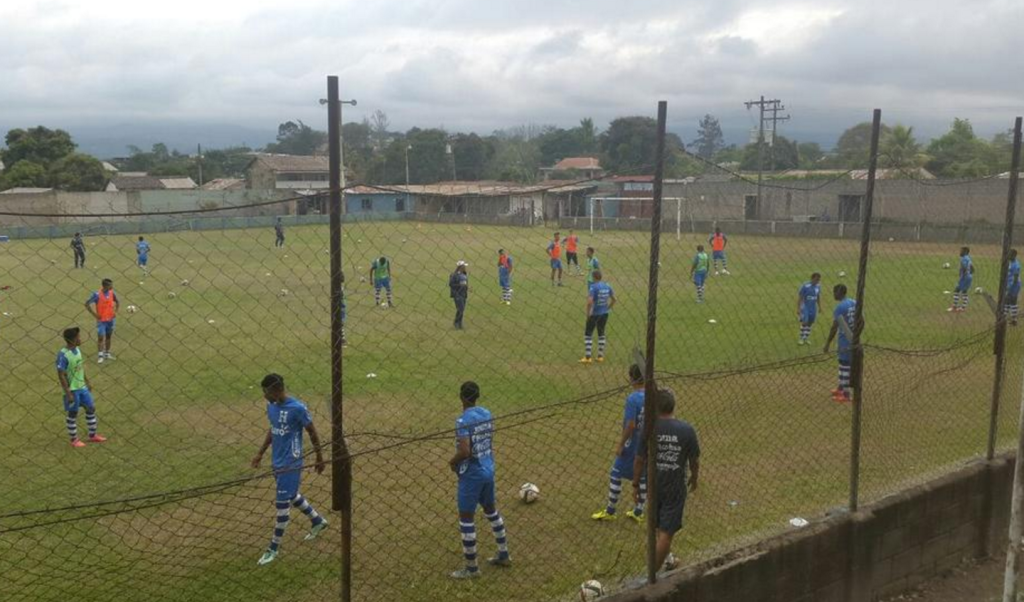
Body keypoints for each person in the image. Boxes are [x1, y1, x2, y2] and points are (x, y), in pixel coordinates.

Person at [251, 373, 328, 566]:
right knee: (291, 495)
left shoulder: (297, 408)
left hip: (291, 462)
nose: (264, 396)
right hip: (277, 461)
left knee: (282, 504)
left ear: (276, 390)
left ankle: (273, 549)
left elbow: (312, 431)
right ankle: (317, 521)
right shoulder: (272, 407)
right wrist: (260, 453)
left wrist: (319, 457)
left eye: (266, 392)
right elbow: (273, 429)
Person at [633, 388, 700, 574]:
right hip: (675, 486)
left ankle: (665, 561)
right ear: (673, 406)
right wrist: (694, 478)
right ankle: (651, 574)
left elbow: (639, 459)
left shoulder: (649, 429)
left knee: (658, 525)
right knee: (666, 532)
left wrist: (635, 484)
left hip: (654, 483)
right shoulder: (687, 430)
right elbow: (694, 460)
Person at [448, 381, 511, 579]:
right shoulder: (486, 413)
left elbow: (465, 451)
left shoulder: (462, 421)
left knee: (466, 518)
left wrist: (452, 462)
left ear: (461, 397)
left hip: (472, 474)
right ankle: (503, 553)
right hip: (488, 468)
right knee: (491, 510)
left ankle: (472, 568)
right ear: (478, 396)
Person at [592, 364, 647, 522]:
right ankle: (639, 512)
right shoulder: (653, 395)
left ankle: (610, 511)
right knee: (642, 476)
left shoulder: (633, 398)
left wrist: (621, 443)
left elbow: (630, 424)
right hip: (646, 442)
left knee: (616, 473)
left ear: (631, 378)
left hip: (633, 442)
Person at [56, 327, 108, 448]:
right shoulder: (64, 354)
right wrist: (68, 392)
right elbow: (61, 374)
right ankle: (74, 440)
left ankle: (92, 435)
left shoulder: (77, 350)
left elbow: (80, 367)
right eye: (79, 337)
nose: (81, 339)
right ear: (73, 339)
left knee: (91, 408)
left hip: (82, 387)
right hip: (73, 389)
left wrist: (87, 381)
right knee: (73, 413)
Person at [823, 284, 857, 403]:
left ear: (840, 293)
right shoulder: (854, 302)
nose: (833, 294)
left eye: (834, 292)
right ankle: (840, 388)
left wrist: (827, 343)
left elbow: (834, 327)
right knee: (843, 364)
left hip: (844, 340)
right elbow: (861, 319)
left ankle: (846, 395)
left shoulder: (840, 307)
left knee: (845, 366)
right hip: (852, 337)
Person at [580, 269, 615, 364]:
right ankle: (600, 356)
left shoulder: (593, 287)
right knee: (601, 333)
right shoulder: (607, 286)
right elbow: (614, 299)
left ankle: (588, 357)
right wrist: (608, 308)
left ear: (594, 277)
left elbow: (590, 302)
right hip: (604, 314)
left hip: (594, 314)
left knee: (588, 334)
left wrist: (588, 313)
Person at [85, 278, 119, 363]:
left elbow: (117, 302)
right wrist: (94, 314)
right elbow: (87, 304)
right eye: (110, 285)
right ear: (105, 286)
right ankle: (100, 355)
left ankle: (107, 353)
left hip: (111, 319)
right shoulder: (97, 295)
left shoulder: (112, 293)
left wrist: (115, 312)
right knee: (100, 337)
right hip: (101, 320)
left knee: (108, 336)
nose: (112, 286)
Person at [797, 273, 823, 346]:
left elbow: (817, 296)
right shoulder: (805, 286)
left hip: (813, 307)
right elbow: (800, 297)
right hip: (805, 306)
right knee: (805, 322)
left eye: (819, 279)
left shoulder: (818, 286)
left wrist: (820, 307)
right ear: (812, 278)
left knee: (810, 322)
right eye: (816, 279)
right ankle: (801, 338)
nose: (818, 281)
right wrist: (798, 308)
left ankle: (806, 338)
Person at [949, 246, 975, 313]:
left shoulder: (963, 259)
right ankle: (963, 307)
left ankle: (954, 307)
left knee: (956, 290)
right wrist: (970, 274)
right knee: (964, 291)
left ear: (965, 252)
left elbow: (964, 267)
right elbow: (972, 268)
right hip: (969, 277)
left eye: (961, 251)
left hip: (965, 277)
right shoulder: (968, 258)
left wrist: (962, 275)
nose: (960, 252)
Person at [449, 261, 469, 330]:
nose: (465, 267)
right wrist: (460, 285)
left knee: (462, 309)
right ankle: (456, 322)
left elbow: (465, 283)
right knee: (460, 309)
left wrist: (467, 287)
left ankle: (460, 323)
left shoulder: (464, 274)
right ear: (461, 267)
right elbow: (451, 284)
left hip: (463, 294)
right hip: (457, 294)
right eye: (464, 266)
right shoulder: (454, 275)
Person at [1005, 249, 1021, 326]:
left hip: (1014, 285)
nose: (1008, 256)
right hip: (1010, 284)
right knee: (1009, 301)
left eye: (1010, 254)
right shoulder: (1011, 263)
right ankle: (1011, 320)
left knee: (1010, 301)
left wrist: (1009, 287)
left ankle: (1011, 320)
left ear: (1014, 255)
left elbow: (1015, 278)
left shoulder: (1016, 265)